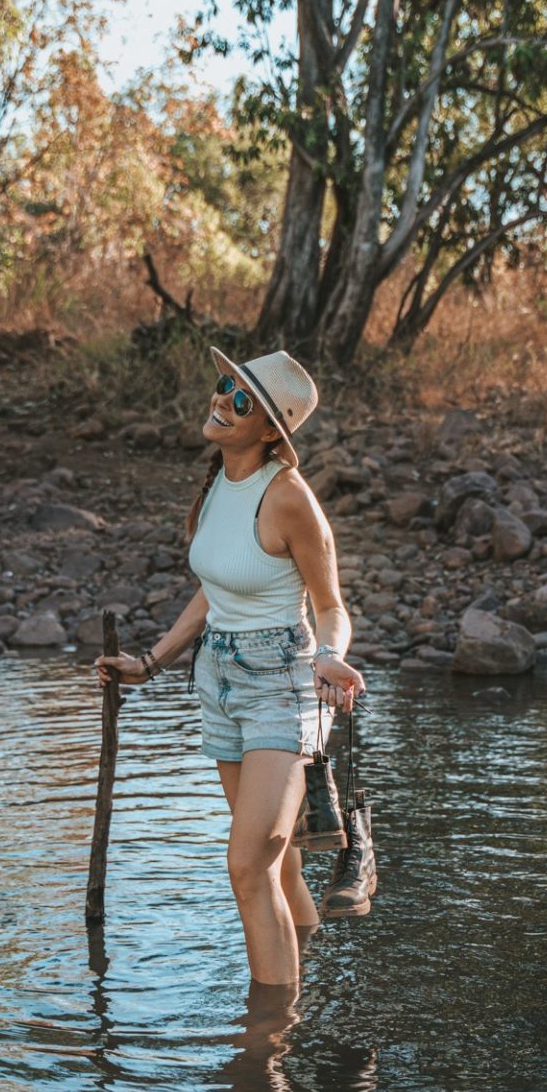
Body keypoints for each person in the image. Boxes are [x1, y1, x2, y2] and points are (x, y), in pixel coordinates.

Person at [96, 346, 372, 989]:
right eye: (225, 385)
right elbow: (217, 591)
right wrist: (151, 662)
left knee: (248, 865)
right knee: (276, 870)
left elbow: (331, 605)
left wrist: (330, 657)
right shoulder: (219, 480)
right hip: (218, 680)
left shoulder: (290, 500)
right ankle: (319, 983)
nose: (222, 400)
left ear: (272, 428)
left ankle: (267, 1048)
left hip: (283, 683)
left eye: (241, 398)